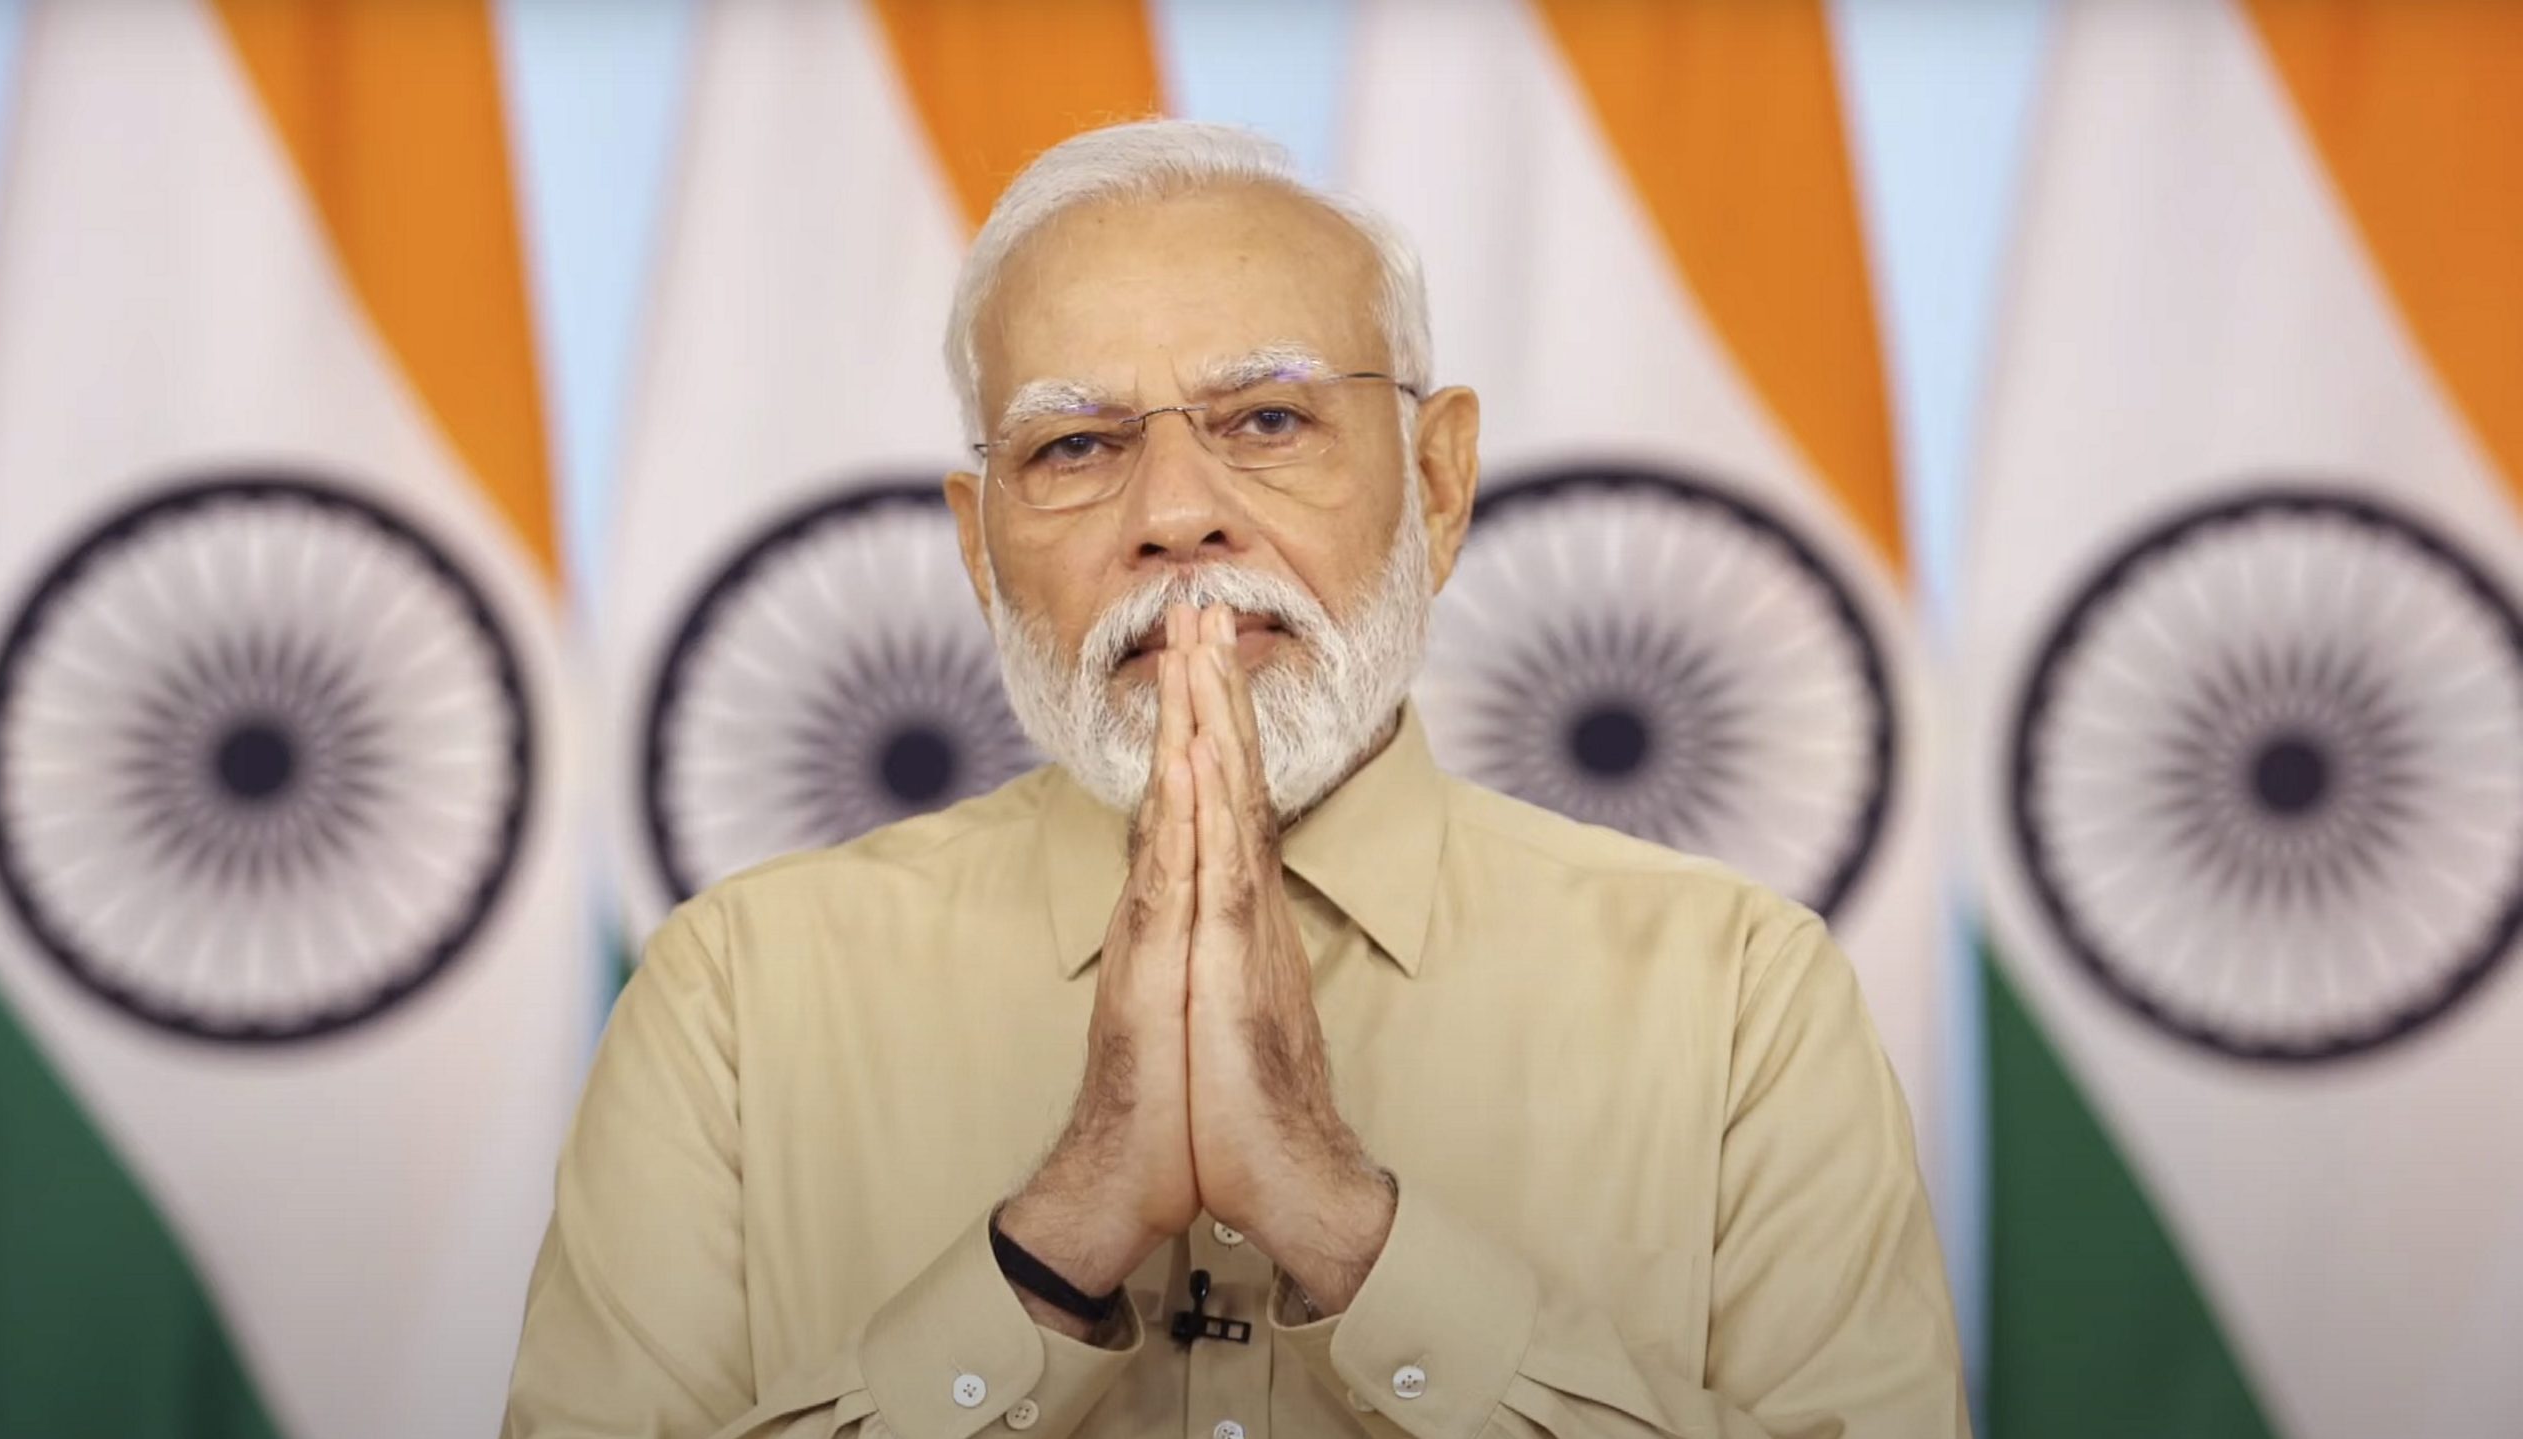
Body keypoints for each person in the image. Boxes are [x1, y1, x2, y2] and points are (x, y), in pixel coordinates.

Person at [504, 119, 1967, 1439]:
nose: (1179, 516)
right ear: (978, 543)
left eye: (1268, 421)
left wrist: (1346, 1225)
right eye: (1074, 446)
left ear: (1439, 485)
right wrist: (1061, 1235)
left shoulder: (1741, 998)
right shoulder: (735, 1000)